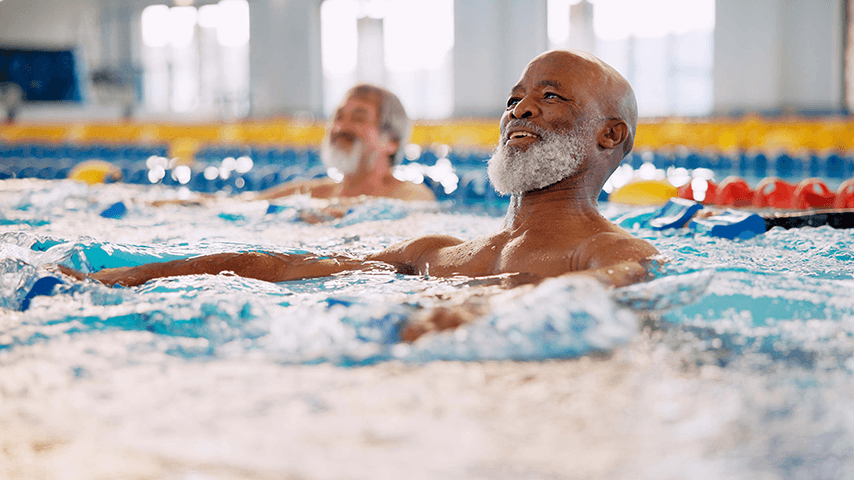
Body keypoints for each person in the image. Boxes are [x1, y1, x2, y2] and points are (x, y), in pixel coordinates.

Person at [57, 50, 660, 338]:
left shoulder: (608, 250)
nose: (520, 108)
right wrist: (141, 274)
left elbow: (611, 286)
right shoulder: (440, 251)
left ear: (611, 135)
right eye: (514, 98)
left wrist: (482, 309)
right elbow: (287, 266)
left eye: (550, 96)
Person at [254, 84, 435, 202]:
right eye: (338, 117)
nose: (340, 127)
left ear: (392, 141)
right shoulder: (317, 193)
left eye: (358, 118)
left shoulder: (409, 196)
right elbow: (239, 206)